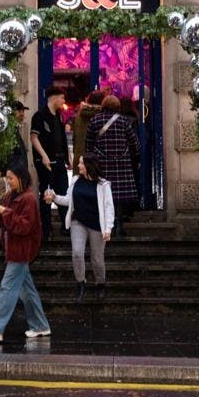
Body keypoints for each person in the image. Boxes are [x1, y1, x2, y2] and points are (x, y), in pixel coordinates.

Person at [0, 163, 50, 342]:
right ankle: (40, 325)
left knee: (7, 288)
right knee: (27, 291)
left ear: (20, 178)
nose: (8, 181)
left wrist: (5, 212)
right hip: (14, 249)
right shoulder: (11, 196)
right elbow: (7, 222)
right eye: (7, 178)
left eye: (11, 178)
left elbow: (25, 226)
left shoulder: (29, 199)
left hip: (21, 250)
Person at [45, 152, 113, 303]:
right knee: (77, 253)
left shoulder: (103, 185)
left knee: (97, 259)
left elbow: (109, 208)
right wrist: (55, 197)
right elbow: (69, 201)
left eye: (81, 163)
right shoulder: (75, 181)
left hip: (96, 225)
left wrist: (108, 229)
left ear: (89, 165)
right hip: (78, 222)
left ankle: (100, 284)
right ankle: (80, 283)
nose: (78, 165)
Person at [86, 95, 139, 236]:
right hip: (121, 163)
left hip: (101, 164)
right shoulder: (123, 121)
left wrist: (90, 162)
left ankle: (106, 225)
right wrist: (133, 158)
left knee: (104, 195)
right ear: (117, 106)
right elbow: (134, 143)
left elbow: (88, 144)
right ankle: (119, 225)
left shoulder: (94, 120)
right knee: (119, 197)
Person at [30, 87, 69, 239]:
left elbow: (63, 138)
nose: (64, 101)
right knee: (46, 194)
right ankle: (47, 229)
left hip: (59, 160)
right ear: (54, 98)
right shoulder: (39, 116)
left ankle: (66, 227)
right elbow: (34, 138)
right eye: (62, 98)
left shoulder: (59, 116)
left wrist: (67, 158)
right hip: (46, 161)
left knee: (63, 192)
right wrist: (44, 156)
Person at [0, 100, 30, 187]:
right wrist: (11, 172)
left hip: (15, 174)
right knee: (13, 199)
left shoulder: (13, 129)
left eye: (23, 111)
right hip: (13, 174)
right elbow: (6, 154)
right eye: (19, 110)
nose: (22, 113)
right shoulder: (8, 129)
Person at [71, 90, 105, 171]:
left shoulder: (79, 115)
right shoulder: (102, 117)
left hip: (79, 159)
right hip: (95, 160)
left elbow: (74, 137)